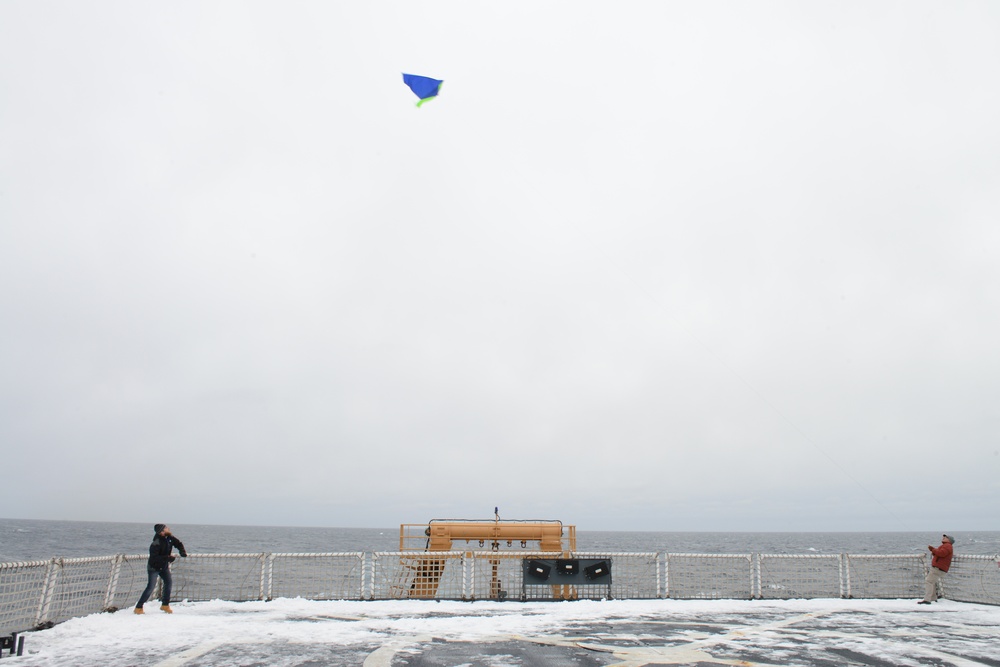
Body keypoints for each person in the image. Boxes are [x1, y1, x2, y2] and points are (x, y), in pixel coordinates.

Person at [135, 524, 187, 614]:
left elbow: (178, 543)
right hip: (154, 567)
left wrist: (182, 551)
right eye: (166, 528)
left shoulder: (169, 538)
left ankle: (165, 605)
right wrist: (168, 558)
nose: (168, 528)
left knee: (168, 583)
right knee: (150, 587)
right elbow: (155, 557)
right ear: (161, 531)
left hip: (164, 566)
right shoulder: (156, 543)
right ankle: (139, 607)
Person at [918, 534, 954, 605]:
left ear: (949, 540)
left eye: (945, 537)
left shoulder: (947, 546)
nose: (943, 538)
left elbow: (941, 553)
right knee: (932, 582)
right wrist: (933, 550)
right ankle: (933, 598)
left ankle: (927, 599)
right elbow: (939, 554)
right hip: (940, 568)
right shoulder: (946, 546)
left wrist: (933, 549)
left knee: (929, 581)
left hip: (938, 568)